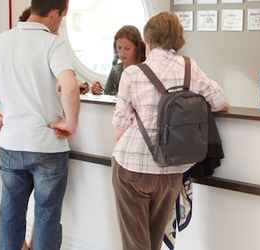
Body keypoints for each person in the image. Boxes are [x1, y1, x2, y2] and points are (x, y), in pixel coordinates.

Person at [0, 0, 79, 250]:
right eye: (62, 17)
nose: (60, 23)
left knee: (10, 217)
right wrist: (70, 122)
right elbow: (69, 85)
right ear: (55, 13)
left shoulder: (1, 40)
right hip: (48, 145)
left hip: (12, 144)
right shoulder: (54, 44)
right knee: (47, 218)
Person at [111, 12, 229, 250]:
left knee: (135, 243)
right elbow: (220, 102)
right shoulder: (189, 67)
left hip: (133, 167)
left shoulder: (132, 73)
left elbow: (120, 126)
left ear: (148, 40)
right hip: (173, 167)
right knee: (154, 242)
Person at [91, 25, 147, 96]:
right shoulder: (115, 70)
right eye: (119, 48)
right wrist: (98, 91)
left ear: (137, 49)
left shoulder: (145, 69)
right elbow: (107, 94)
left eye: (127, 49)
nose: (122, 53)